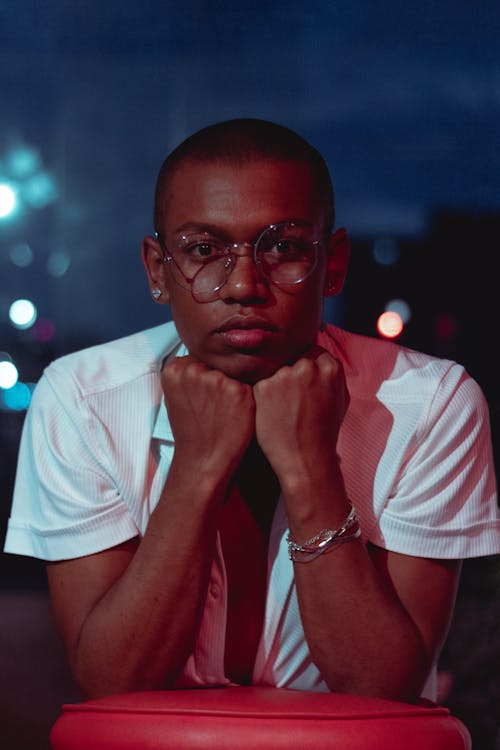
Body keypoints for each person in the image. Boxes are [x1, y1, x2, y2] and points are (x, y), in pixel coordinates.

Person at [4, 118, 500, 703]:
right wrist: (195, 471)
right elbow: (114, 681)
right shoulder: (83, 398)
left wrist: (312, 468)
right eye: (203, 251)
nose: (243, 285)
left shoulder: (431, 403)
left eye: (284, 247)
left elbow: (383, 688)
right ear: (158, 271)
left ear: (333, 262)